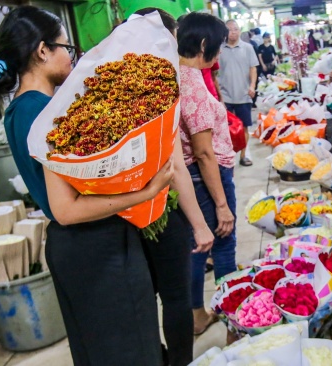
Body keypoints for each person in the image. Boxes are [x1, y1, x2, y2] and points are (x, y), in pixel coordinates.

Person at [0, 6, 202, 365]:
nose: (73, 60)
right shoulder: (48, 114)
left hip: (74, 246)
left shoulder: (19, 110)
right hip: (96, 245)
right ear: (42, 51)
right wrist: (144, 192)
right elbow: (66, 209)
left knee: (102, 349)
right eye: (65, 49)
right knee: (130, 350)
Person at [132, 8, 217, 365]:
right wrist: (200, 224)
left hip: (125, 210)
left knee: (144, 298)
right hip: (160, 205)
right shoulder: (158, 86)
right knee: (176, 296)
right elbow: (176, 164)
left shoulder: (113, 84)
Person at [177, 13, 239, 344]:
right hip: (206, 177)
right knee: (224, 243)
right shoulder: (194, 89)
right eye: (217, 44)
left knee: (196, 248)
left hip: (191, 178)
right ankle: (234, 324)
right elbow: (204, 154)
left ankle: (197, 315)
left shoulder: (175, 75)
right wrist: (222, 204)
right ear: (203, 44)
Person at [219, 19, 259, 167]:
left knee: (244, 127)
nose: (233, 32)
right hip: (225, 95)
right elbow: (214, 72)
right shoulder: (219, 49)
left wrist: (252, 86)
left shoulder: (248, 48)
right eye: (229, 29)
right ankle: (228, 157)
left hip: (243, 94)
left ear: (240, 30)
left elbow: (253, 68)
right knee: (225, 129)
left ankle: (243, 156)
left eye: (235, 29)